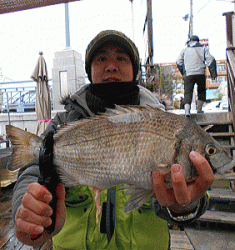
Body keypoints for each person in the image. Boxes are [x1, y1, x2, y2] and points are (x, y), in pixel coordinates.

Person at [12, 30, 214, 249]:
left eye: (121, 58)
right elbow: (34, 169)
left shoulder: (165, 124)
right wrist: (28, 211)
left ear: (135, 70)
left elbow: (194, 199)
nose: (111, 66)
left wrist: (185, 204)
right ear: (90, 70)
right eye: (101, 59)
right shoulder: (63, 122)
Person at [176, 35, 217, 117]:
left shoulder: (184, 50)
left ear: (190, 41)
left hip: (188, 74)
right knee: (201, 90)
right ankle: (199, 109)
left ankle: (187, 111)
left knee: (188, 92)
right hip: (200, 73)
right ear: (198, 41)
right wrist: (213, 74)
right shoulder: (203, 49)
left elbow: (178, 62)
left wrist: (183, 72)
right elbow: (211, 60)